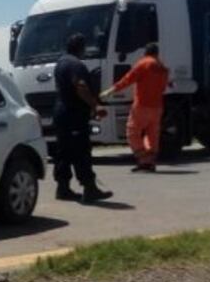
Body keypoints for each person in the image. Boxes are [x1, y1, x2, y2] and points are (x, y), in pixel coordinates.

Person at [53, 33, 113, 203]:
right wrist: (96, 105)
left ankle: (62, 188)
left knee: (63, 151)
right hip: (73, 114)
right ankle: (89, 188)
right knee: (81, 150)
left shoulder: (61, 62)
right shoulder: (76, 64)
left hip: (61, 113)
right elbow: (80, 86)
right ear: (81, 48)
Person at [101, 42, 170, 172]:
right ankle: (151, 161)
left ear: (145, 52)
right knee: (152, 135)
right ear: (157, 53)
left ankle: (144, 160)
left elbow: (127, 79)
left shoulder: (143, 64)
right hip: (157, 107)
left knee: (132, 132)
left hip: (142, 105)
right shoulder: (163, 67)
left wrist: (110, 91)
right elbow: (164, 86)